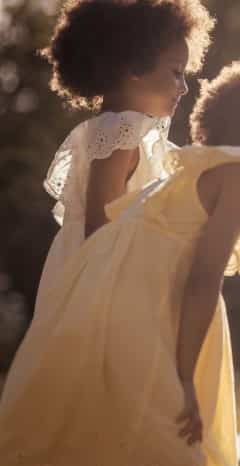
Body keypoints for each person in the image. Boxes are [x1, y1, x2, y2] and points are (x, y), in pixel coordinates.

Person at [0, 49, 240, 466]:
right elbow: (203, 279)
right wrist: (185, 379)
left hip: (110, 307)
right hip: (147, 318)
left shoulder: (199, 164)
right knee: (171, 455)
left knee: (124, 454)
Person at [36, 0, 214, 310]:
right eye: (176, 73)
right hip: (101, 276)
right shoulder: (122, 131)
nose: (184, 88)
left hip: (93, 266)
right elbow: (99, 228)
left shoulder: (115, 130)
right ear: (135, 66)